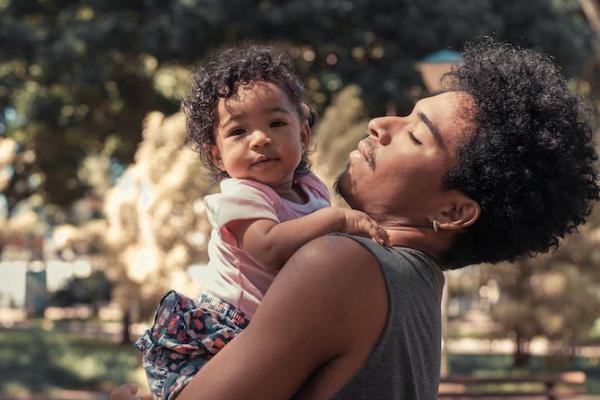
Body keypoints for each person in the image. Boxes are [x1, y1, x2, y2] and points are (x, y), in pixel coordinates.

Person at [112, 40, 599, 400]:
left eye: (415, 134)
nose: (381, 125)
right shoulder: (412, 281)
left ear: (453, 211)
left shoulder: (341, 264)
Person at [133, 45, 389, 400]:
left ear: (302, 133)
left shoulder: (311, 188)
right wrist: (339, 219)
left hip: (276, 327)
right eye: (239, 132)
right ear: (217, 154)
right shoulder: (241, 196)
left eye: (277, 123)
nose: (261, 138)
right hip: (227, 328)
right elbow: (269, 248)